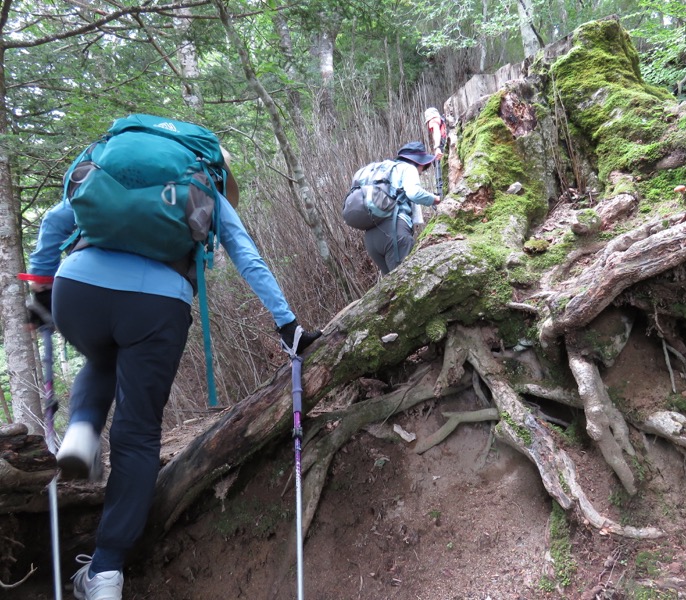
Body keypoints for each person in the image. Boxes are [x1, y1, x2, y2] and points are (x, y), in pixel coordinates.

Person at [26, 147, 320, 600]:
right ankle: (105, 574)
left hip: (77, 286)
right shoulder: (204, 190)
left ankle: (81, 430)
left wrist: (42, 292)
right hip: (157, 305)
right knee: (139, 433)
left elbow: (52, 223)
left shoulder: (113, 168)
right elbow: (248, 257)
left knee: (102, 358)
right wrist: (288, 326)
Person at [364, 141, 440, 275]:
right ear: (418, 162)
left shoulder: (382, 171)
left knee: (392, 290)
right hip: (394, 233)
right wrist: (434, 199)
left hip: (371, 237)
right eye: (423, 167)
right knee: (407, 284)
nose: (422, 172)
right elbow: (413, 193)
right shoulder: (408, 168)